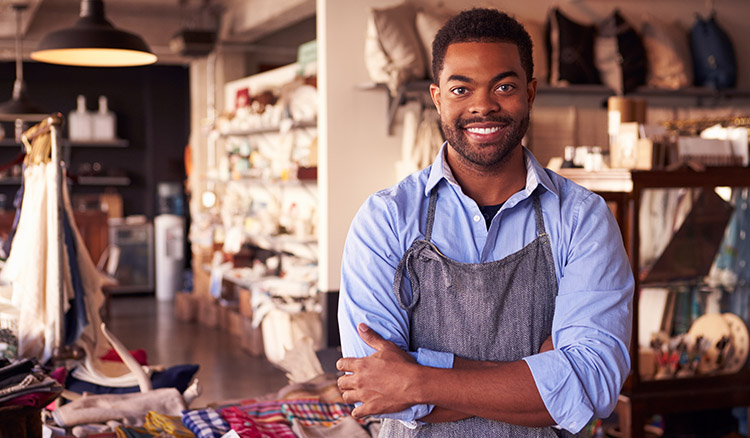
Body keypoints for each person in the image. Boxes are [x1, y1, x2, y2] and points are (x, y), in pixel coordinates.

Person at [336, 8, 633, 438]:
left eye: (504, 86)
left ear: (530, 93)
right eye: (461, 88)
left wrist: (417, 380)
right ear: (437, 98)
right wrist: (541, 374)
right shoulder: (385, 219)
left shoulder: (583, 218)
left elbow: (592, 382)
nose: (483, 106)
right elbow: (373, 387)